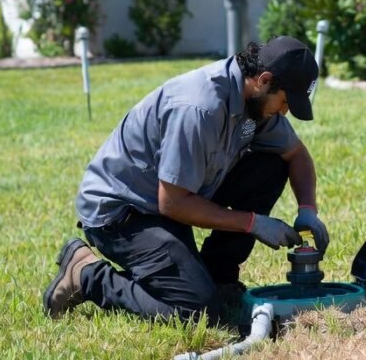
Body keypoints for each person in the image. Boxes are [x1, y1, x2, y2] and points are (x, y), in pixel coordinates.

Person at [43, 35, 330, 322]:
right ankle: (86, 275)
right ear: (264, 80)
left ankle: (219, 278)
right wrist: (253, 223)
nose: (284, 111)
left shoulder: (253, 100)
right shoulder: (199, 108)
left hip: (176, 195)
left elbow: (295, 154)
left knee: (270, 166)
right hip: (124, 214)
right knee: (199, 312)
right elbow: (174, 205)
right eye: (284, 101)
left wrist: (307, 211)